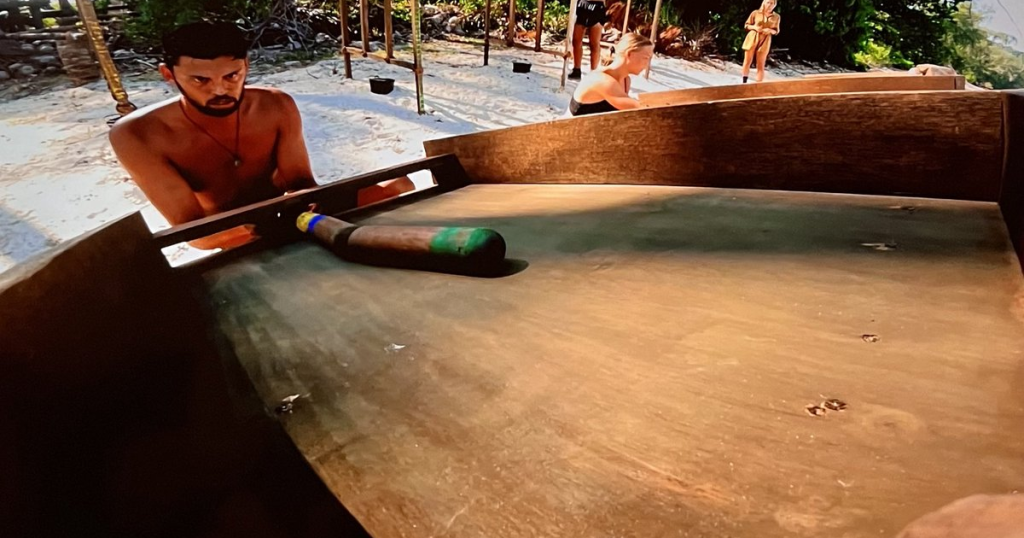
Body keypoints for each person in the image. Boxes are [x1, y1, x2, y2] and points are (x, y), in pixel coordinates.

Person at [109, 21, 413, 250]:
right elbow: (194, 232)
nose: (220, 89)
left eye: (232, 76)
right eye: (200, 80)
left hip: (295, 216)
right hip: (231, 236)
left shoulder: (275, 105)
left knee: (399, 184)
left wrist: (306, 205)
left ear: (246, 66)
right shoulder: (138, 135)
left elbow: (302, 184)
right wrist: (267, 226)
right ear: (168, 75)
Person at [567, 33, 653, 117]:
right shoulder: (602, 80)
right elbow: (639, 108)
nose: (647, 64)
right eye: (645, 58)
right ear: (629, 54)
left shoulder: (625, 80)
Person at [740, 0, 781, 84]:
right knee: (747, 61)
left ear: (775, 5)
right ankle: (744, 81)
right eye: (768, 2)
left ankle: (759, 84)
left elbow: (776, 31)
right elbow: (747, 25)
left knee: (761, 63)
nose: (770, 5)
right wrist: (755, 27)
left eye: (772, 3)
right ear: (764, 3)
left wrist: (770, 30)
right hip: (753, 37)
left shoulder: (776, 16)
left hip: (765, 39)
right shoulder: (755, 13)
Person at [568, 0, 608, 80]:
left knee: (594, 43)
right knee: (576, 40)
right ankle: (576, 69)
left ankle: (593, 72)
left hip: (597, 6)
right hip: (583, 4)